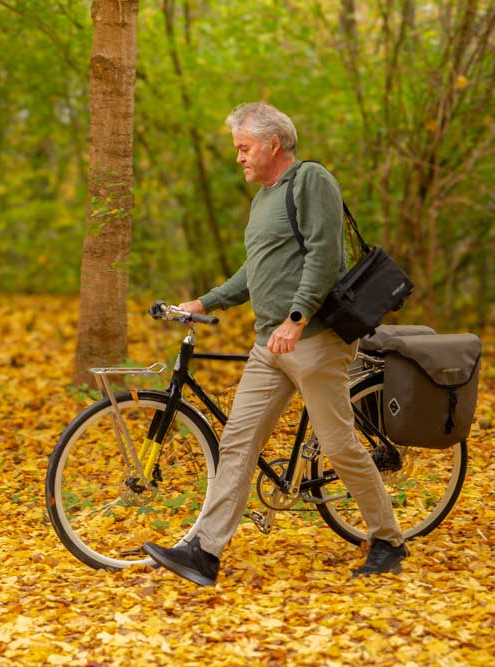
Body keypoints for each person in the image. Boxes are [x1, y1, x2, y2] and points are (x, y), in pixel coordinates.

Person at [142, 102, 408, 585]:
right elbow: (256, 270)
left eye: (244, 148)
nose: (239, 158)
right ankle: (205, 551)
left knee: (339, 445)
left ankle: (388, 538)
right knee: (238, 444)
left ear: (272, 144)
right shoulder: (263, 198)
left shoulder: (311, 181)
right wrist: (207, 301)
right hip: (270, 344)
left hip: (313, 339)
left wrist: (298, 317)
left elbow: (326, 256)